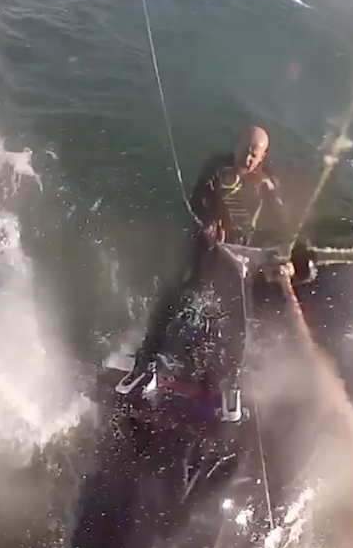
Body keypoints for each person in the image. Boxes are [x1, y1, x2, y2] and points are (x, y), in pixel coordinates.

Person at [115, 125, 289, 422]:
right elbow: (196, 202)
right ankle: (144, 367)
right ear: (236, 144)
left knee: (238, 318)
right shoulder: (216, 167)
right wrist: (209, 222)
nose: (247, 157)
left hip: (240, 257)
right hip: (209, 248)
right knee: (175, 297)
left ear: (262, 156)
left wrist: (283, 255)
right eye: (244, 148)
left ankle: (229, 385)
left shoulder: (269, 183)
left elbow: (282, 227)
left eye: (254, 153)